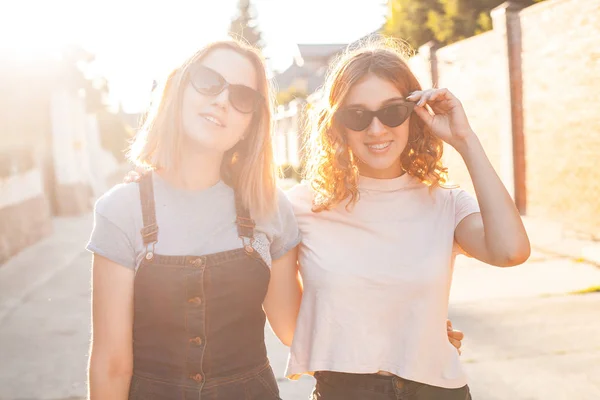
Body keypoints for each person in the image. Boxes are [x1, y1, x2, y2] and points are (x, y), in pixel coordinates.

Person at [283, 38, 531, 400]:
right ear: (336, 124)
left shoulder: (446, 203)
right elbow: (294, 324)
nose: (377, 130)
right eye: (357, 115)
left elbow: (511, 251)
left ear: (415, 113)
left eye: (392, 111)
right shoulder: (302, 207)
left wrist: (464, 139)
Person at [86, 40, 301, 400]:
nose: (221, 101)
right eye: (208, 82)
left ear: (250, 125)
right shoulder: (121, 210)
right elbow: (111, 364)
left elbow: (294, 329)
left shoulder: (268, 206)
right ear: (178, 90)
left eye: (242, 97)